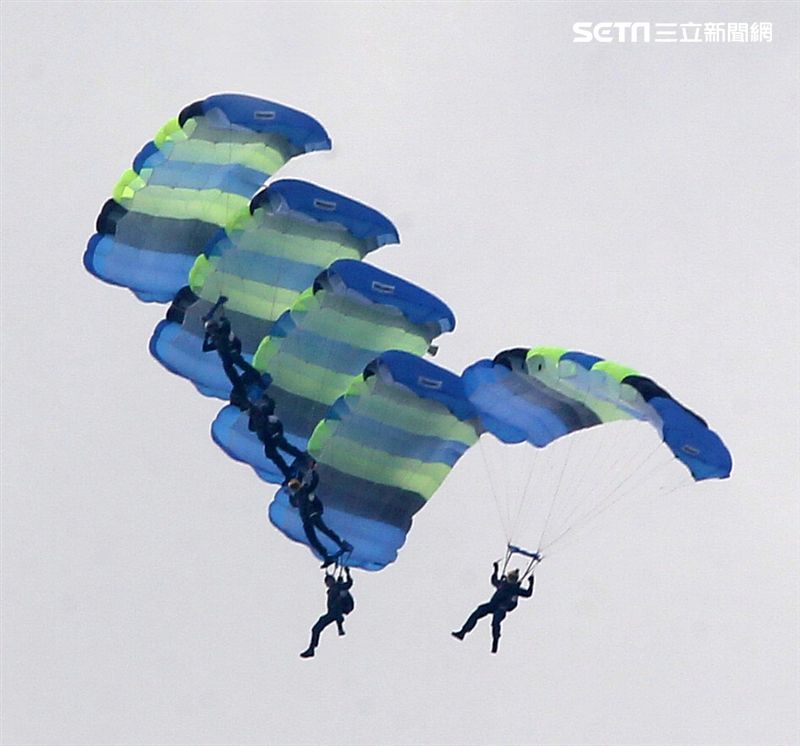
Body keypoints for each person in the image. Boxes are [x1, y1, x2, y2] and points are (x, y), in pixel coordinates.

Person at [451, 562, 534, 653]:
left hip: (502, 608)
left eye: (513, 578)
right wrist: (496, 570)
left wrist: (531, 583)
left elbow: (528, 593)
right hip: (492, 605)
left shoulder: (515, 589)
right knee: (477, 612)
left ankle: (495, 642)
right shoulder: (502, 583)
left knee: (495, 621)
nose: (511, 579)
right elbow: (493, 580)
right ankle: (462, 632)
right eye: (510, 577)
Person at [288, 460, 352, 567]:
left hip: (313, 515)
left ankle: (342, 544)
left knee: (325, 530)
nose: (294, 488)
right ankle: (325, 556)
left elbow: (314, 482)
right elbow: (294, 504)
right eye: (293, 487)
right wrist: (289, 495)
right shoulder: (297, 496)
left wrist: (313, 470)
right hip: (306, 520)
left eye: (294, 486)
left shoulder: (306, 490)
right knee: (312, 539)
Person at [202, 317, 263, 407]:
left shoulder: (224, 331)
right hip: (227, 359)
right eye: (210, 330)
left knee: (238, 361)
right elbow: (205, 348)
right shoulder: (215, 340)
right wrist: (206, 337)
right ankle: (241, 391)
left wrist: (223, 319)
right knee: (231, 373)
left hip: (233, 352)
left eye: (213, 327)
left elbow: (227, 323)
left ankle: (257, 376)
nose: (212, 331)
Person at [300, 568, 354, 658]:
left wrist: (347, 573)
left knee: (339, 599)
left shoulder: (339, 586)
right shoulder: (331, 592)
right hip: (333, 612)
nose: (329, 583)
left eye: (330, 581)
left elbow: (349, 583)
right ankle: (311, 649)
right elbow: (330, 608)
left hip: (344, 606)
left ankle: (340, 626)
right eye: (327, 582)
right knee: (316, 628)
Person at [247, 397, 304, 481]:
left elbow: (271, 404)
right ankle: (287, 471)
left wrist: (267, 399)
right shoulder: (253, 421)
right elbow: (251, 428)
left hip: (274, 433)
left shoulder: (265, 411)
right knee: (271, 453)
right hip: (267, 439)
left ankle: (300, 456)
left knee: (283, 446)